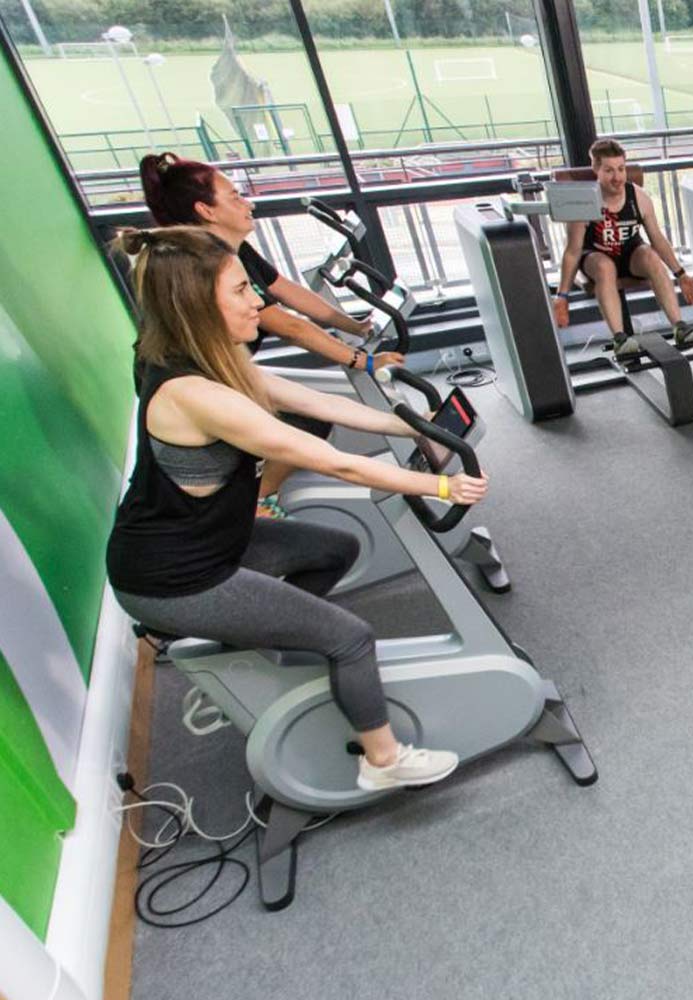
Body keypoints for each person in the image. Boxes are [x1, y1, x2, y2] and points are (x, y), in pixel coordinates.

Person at [106, 227, 485, 791]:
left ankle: (260, 641)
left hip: (215, 541)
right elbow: (333, 462)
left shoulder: (215, 363)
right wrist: (440, 487)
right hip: (173, 577)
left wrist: (407, 422)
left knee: (337, 549)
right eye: (240, 291)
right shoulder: (194, 394)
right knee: (350, 636)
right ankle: (382, 763)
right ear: (196, 305)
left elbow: (311, 402)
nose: (257, 299)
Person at [140, 152, 397, 518]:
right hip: (190, 382)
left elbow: (286, 290)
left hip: (224, 367)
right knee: (306, 421)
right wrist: (365, 360)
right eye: (235, 197)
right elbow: (289, 326)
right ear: (206, 210)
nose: (248, 203)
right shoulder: (207, 267)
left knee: (315, 409)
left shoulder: (231, 249)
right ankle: (259, 501)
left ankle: (259, 494)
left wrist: (353, 325)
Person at [553, 137, 693, 356]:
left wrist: (681, 274)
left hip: (630, 254)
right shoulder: (585, 201)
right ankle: (620, 339)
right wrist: (562, 296)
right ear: (596, 169)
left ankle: (680, 327)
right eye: (609, 171)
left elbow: (657, 239)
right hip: (595, 256)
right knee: (605, 267)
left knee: (651, 257)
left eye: (621, 169)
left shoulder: (638, 197)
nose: (617, 177)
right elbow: (573, 251)